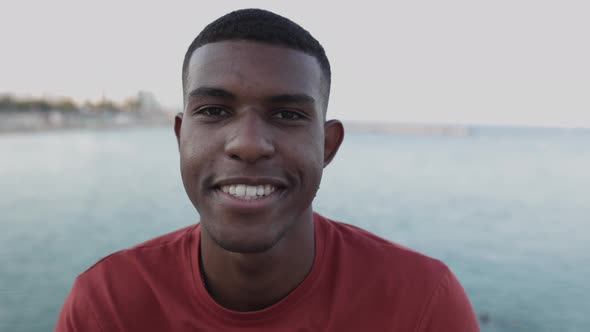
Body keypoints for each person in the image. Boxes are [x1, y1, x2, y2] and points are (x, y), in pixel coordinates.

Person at [56, 8, 479, 331]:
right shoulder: (108, 306)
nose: (249, 143)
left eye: (288, 115)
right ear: (181, 137)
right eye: (215, 110)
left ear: (327, 146)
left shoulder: (422, 303)